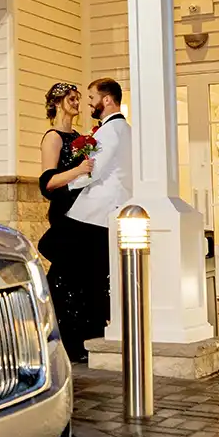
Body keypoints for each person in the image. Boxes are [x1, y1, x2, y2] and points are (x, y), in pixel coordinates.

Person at [65, 77, 133, 338]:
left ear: (106, 100)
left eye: (92, 98)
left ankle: (82, 331)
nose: (89, 103)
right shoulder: (128, 130)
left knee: (81, 270)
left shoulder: (108, 131)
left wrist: (66, 187)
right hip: (115, 207)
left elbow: (94, 170)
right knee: (99, 274)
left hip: (95, 212)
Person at [38, 82, 97, 363]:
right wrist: (78, 170)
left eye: (79, 99)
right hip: (65, 212)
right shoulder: (53, 137)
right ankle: (64, 339)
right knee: (65, 275)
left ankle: (85, 336)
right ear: (59, 102)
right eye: (72, 99)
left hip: (83, 209)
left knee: (84, 275)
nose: (77, 103)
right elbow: (48, 182)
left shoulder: (79, 137)